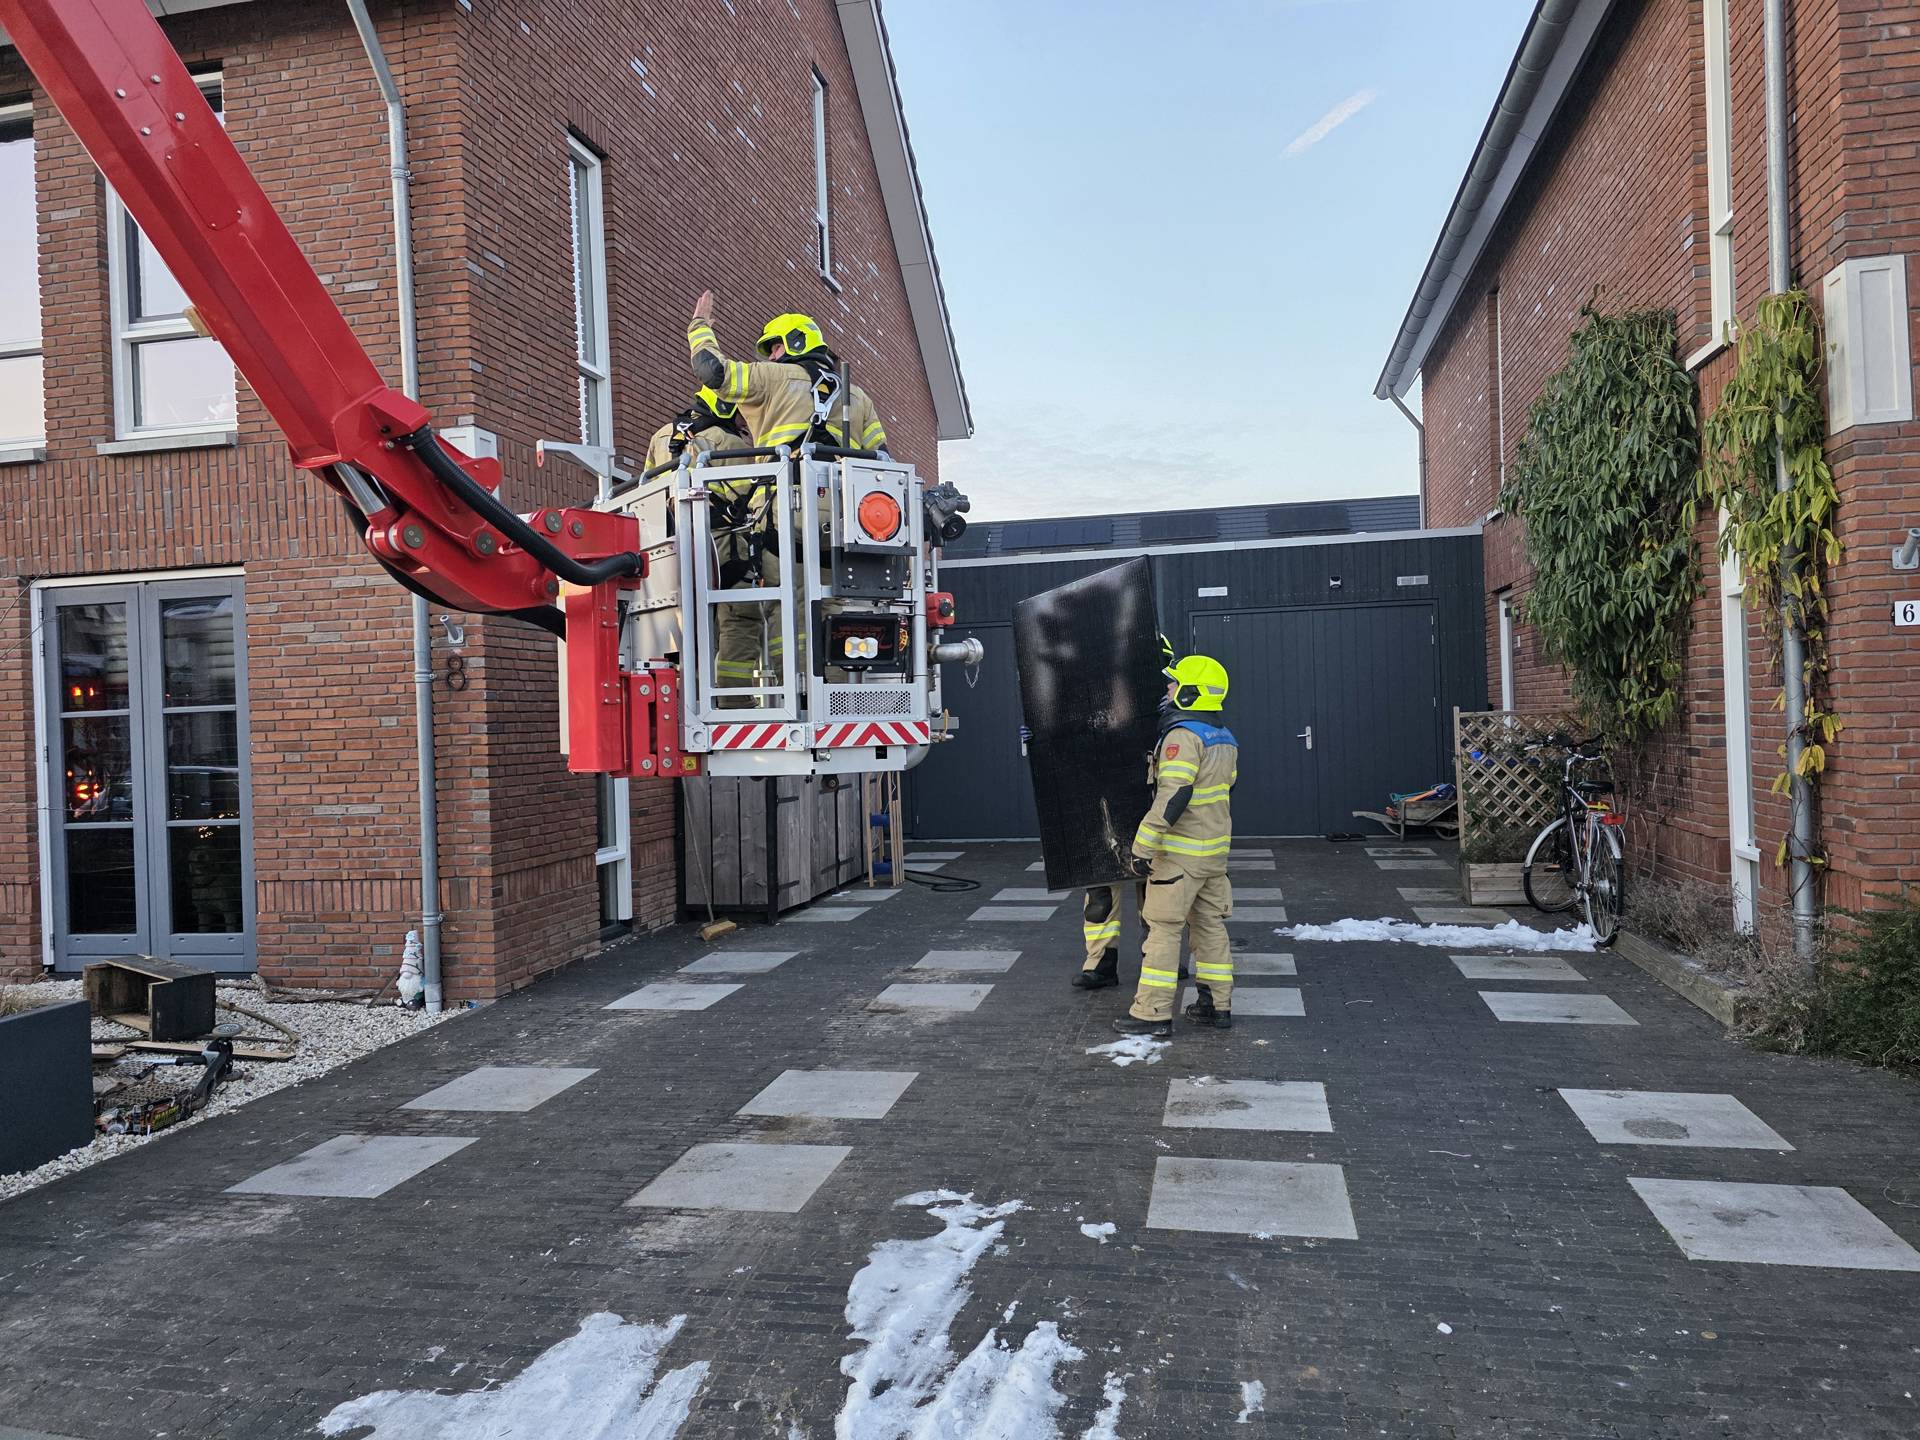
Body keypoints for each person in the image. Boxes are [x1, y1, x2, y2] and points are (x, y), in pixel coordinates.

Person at [684, 295, 891, 702]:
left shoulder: (774, 379)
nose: (771, 355)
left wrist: (699, 327)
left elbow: (713, 372)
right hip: (848, 524)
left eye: (774, 346)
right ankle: (838, 695)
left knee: (790, 608)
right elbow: (882, 461)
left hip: (787, 516)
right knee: (836, 607)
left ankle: (799, 699)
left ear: (792, 343)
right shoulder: (859, 397)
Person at [1112, 654, 1238, 1037]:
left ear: (1191, 691)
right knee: (1210, 927)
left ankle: (1151, 1012)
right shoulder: (1224, 736)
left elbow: (1174, 796)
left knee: (1162, 930)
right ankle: (1216, 1005)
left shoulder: (1183, 736)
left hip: (1181, 855)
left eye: (1174, 684)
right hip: (1214, 854)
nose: (1167, 689)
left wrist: (1142, 848)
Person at [1073, 633, 1178, 991]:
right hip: (1107, 811)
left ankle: (1160, 960)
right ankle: (1100, 965)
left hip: (1150, 811)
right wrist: (1042, 738)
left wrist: (1172, 716)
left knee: (1156, 894)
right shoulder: (1098, 693)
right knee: (1100, 894)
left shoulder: (1174, 704)